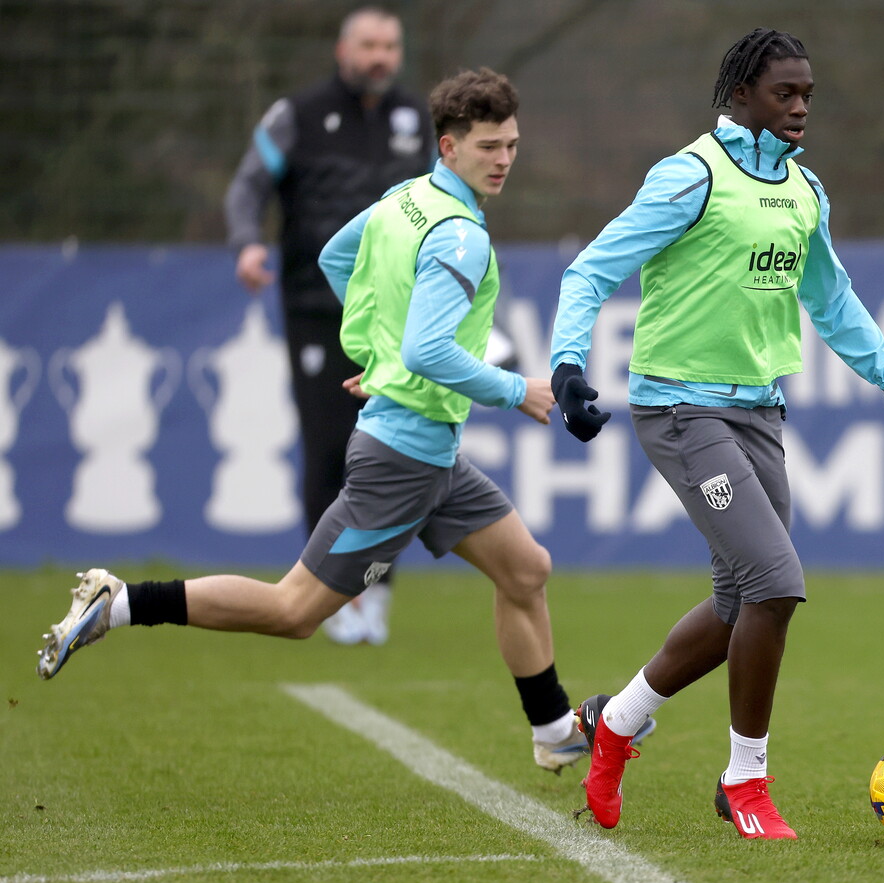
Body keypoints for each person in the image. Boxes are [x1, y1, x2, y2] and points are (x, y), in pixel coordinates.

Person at [38, 68, 655, 775]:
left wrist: (377, 352)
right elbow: (428, 348)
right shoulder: (461, 237)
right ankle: (121, 602)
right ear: (449, 146)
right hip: (403, 459)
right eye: (489, 146)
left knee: (525, 568)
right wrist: (518, 390)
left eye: (512, 143)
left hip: (431, 452)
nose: (505, 159)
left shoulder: (406, 200)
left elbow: (337, 257)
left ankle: (552, 728)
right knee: (293, 611)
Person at [550, 28, 884, 837]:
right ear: (740, 95)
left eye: (807, 96)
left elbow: (832, 302)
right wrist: (566, 369)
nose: (799, 109)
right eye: (784, 94)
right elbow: (590, 269)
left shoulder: (804, 190)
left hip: (760, 412)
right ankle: (745, 783)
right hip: (680, 411)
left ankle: (616, 722)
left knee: (740, 600)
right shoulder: (690, 176)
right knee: (776, 582)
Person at [224, 6, 432, 645]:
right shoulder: (297, 115)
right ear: (343, 49)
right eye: (369, 44)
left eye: (390, 46)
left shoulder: (416, 118)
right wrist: (246, 242)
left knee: (392, 453)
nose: (380, 56)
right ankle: (330, 597)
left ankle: (374, 591)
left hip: (392, 316)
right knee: (329, 451)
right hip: (318, 311)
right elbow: (247, 187)